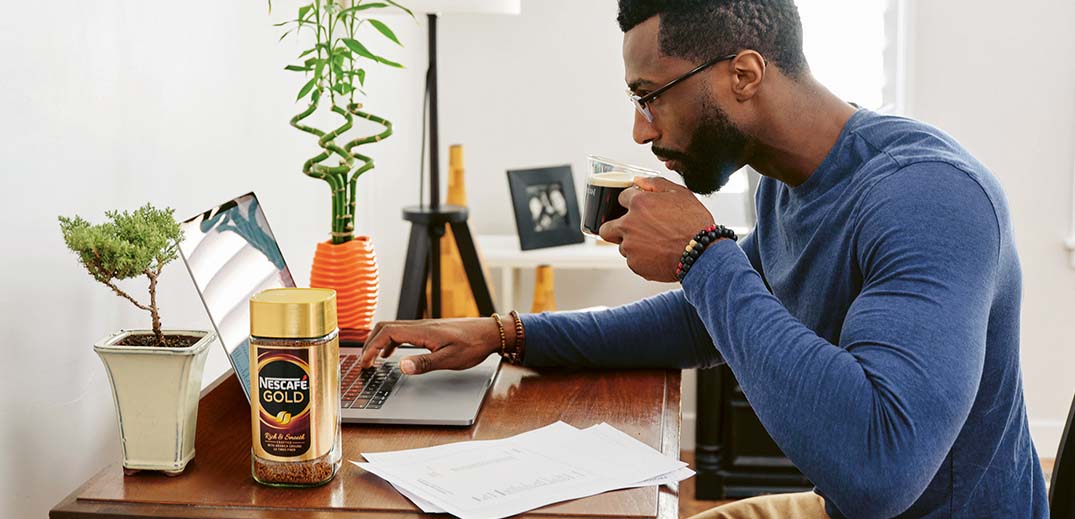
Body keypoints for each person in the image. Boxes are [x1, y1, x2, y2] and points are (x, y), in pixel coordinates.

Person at [359, 0, 1048, 517]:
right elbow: (703, 319)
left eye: (649, 96)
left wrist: (701, 250)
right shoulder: (785, 173)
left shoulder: (927, 198)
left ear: (742, 74)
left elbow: (879, 470)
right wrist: (506, 332)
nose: (639, 127)